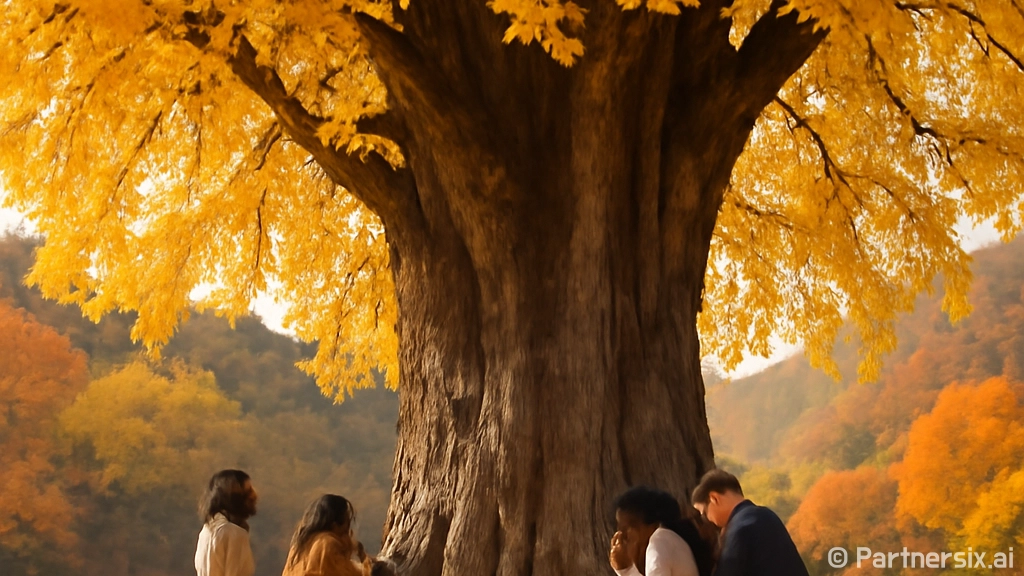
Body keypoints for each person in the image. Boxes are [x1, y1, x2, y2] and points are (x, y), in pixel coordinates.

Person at [691, 469, 808, 576]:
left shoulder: (738, 529)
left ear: (714, 498)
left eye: (704, 513)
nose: (708, 520)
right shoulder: (768, 515)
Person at [609, 486, 716, 576]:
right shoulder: (669, 539)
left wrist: (626, 570)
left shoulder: (659, 543)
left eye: (628, 528)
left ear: (651, 526)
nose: (622, 535)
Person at [282, 494, 367, 576]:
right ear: (335, 525)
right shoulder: (327, 543)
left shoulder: (298, 545)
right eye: (347, 521)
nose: (348, 528)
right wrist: (367, 564)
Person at [195, 469, 258, 576]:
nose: (254, 496)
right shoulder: (234, 534)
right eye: (248, 491)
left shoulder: (206, 531)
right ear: (234, 497)